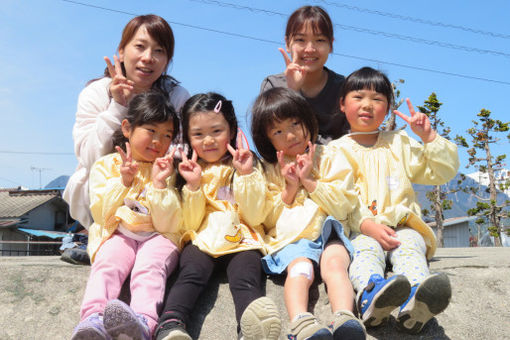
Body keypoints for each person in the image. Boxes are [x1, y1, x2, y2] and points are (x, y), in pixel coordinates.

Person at [328, 67, 459, 334]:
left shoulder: (399, 143)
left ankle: (416, 300)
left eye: (378, 99)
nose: (367, 105)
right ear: (342, 104)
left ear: (388, 109)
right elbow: (337, 198)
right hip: (360, 229)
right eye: (358, 97)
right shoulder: (335, 150)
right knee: (364, 253)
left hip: (402, 226)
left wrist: (428, 138)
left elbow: (440, 171)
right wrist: (365, 225)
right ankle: (371, 296)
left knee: (410, 246)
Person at [155, 93, 281, 340]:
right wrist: (193, 186)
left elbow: (256, 216)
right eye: (198, 134)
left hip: (243, 239)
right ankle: (170, 324)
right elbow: (189, 223)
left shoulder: (248, 164)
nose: (208, 140)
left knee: (246, 278)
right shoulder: (184, 171)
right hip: (201, 239)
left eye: (216, 131)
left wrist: (245, 175)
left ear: (232, 129)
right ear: (188, 137)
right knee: (191, 272)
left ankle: (250, 331)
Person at [251, 87, 365, 340]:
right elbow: (266, 219)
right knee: (301, 269)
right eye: (278, 131)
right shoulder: (268, 169)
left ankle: (345, 316)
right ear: (266, 139)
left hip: (329, 233)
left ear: (307, 120)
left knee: (335, 264)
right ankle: (301, 322)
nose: (290, 135)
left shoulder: (329, 155)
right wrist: (290, 187)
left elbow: (344, 204)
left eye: (295, 123)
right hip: (292, 240)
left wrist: (310, 181)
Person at [71, 91, 183, 340]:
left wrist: (159, 185)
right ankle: (93, 319)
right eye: (151, 131)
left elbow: (169, 223)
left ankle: (143, 322)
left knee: (150, 267)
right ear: (127, 128)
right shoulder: (107, 165)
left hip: (158, 236)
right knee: (108, 262)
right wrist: (124, 181)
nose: (158, 141)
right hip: (118, 233)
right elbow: (101, 214)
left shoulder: (168, 170)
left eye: (167, 135)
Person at [64, 14, 190, 231]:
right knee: (81, 177)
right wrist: (118, 106)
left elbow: (184, 152)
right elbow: (91, 159)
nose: (148, 57)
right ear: (121, 51)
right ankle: (100, 230)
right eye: (140, 46)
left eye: (159, 51)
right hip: (111, 185)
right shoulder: (96, 92)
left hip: (159, 186)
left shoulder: (176, 96)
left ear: (167, 60)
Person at [260, 5, 348, 145]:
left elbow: (353, 140)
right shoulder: (272, 86)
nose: (310, 49)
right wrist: (292, 91)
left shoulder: (345, 88)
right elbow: (274, 139)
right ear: (287, 43)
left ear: (330, 45)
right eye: (300, 40)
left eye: (319, 40)